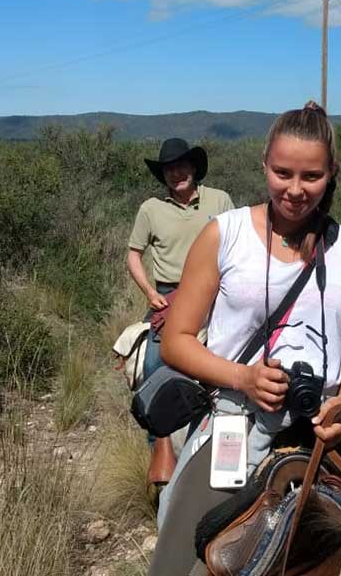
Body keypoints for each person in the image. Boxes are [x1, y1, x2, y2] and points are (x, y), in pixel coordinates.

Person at [150, 102, 341, 575]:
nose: (295, 190)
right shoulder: (224, 235)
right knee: (176, 558)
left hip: (332, 422)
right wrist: (245, 378)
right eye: (282, 173)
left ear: (331, 172)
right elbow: (176, 340)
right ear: (264, 165)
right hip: (240, 415)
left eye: (311, 176)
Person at [127, 137, 234, 487]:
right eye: (169, 169)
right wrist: (149, 293)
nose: (177, 173)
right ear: (164, 175)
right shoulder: (150, 209)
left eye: (182, 165)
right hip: (170, 297)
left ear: (193, 167)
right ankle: (162, 454)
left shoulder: (219, 200)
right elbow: (133, 255)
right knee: (156, 366)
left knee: (230, 374)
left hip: (217, 293)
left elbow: (238, 246)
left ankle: (222, 460)